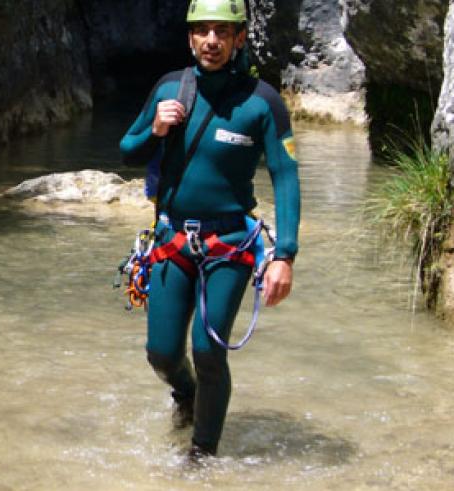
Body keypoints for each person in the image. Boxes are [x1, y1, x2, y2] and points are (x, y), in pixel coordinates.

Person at [119, 0, 299, 459]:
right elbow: (127, 150)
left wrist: (284, 256)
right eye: (202, 31)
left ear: (240, 39)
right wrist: (156, 129)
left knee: (208, 349)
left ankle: (202, 456)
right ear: (190, 37)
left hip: (230, 246)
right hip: (172, 240)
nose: (211, 41)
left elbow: (286, 175)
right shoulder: (169, 89)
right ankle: (187, 394)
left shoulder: (262, 103)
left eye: (223, 31)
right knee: (161, 353)